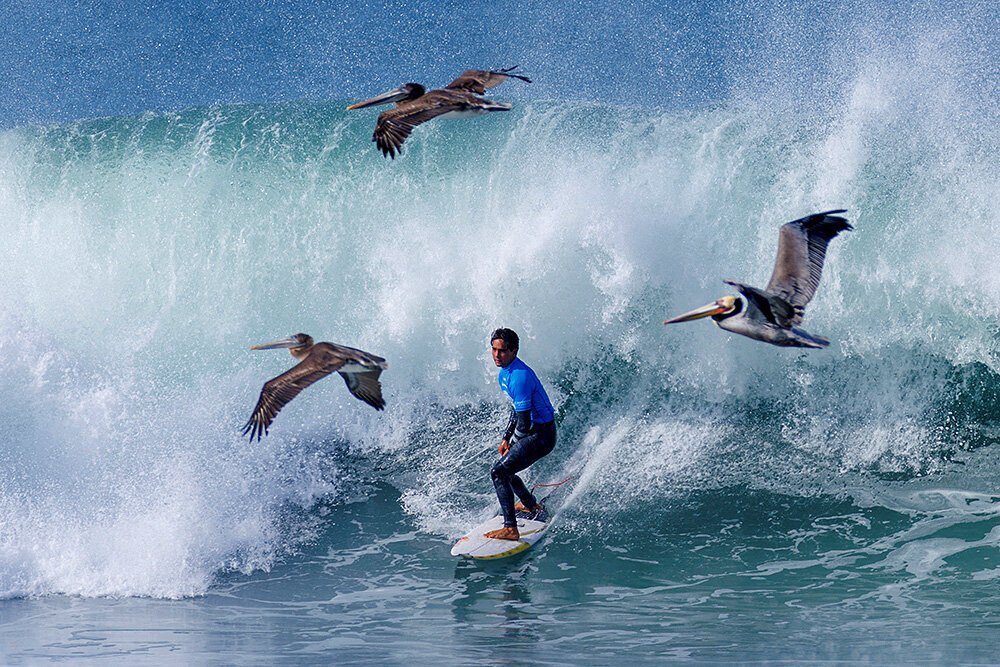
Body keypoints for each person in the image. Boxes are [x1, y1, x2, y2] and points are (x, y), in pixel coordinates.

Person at [484, 328, 557, 541]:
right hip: (534, 432)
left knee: (499, 472)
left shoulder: (519, 376)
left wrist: (515, 441)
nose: (497, 355)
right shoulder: (505, 373)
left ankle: (510, 529)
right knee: (505, 468)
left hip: (542, 435)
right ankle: (528, 503)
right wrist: (506, 438)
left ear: (514, 351)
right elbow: (516, 410)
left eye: (503, 351)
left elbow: (524, 423)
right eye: (494, 350)